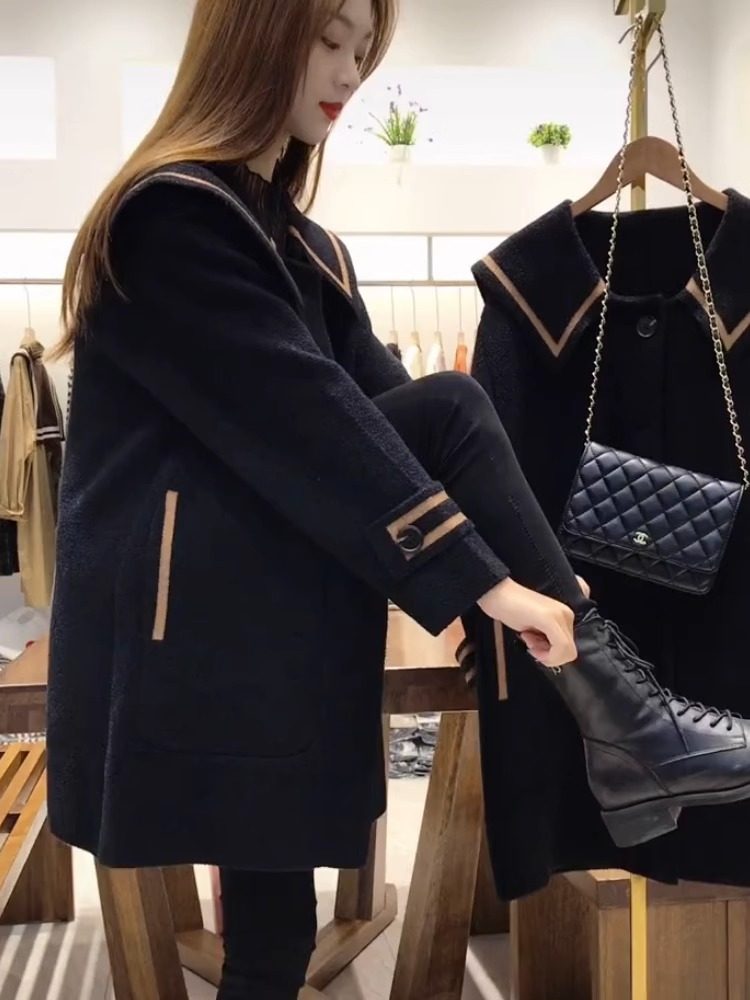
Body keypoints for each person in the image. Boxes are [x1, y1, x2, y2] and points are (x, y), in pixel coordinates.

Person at [46, 0, 750, 997]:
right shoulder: (167, 217)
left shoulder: (303, 245)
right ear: (251, 36)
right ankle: (629, 721)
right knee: (271, 928)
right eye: (328, 39)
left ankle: (626, 718)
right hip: (190, 626)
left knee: (273, 930)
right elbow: (309, 420)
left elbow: (390, 417)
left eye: (362, 50)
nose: (349, 73)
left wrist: (517, 571)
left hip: (264, 607)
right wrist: (493, 585)